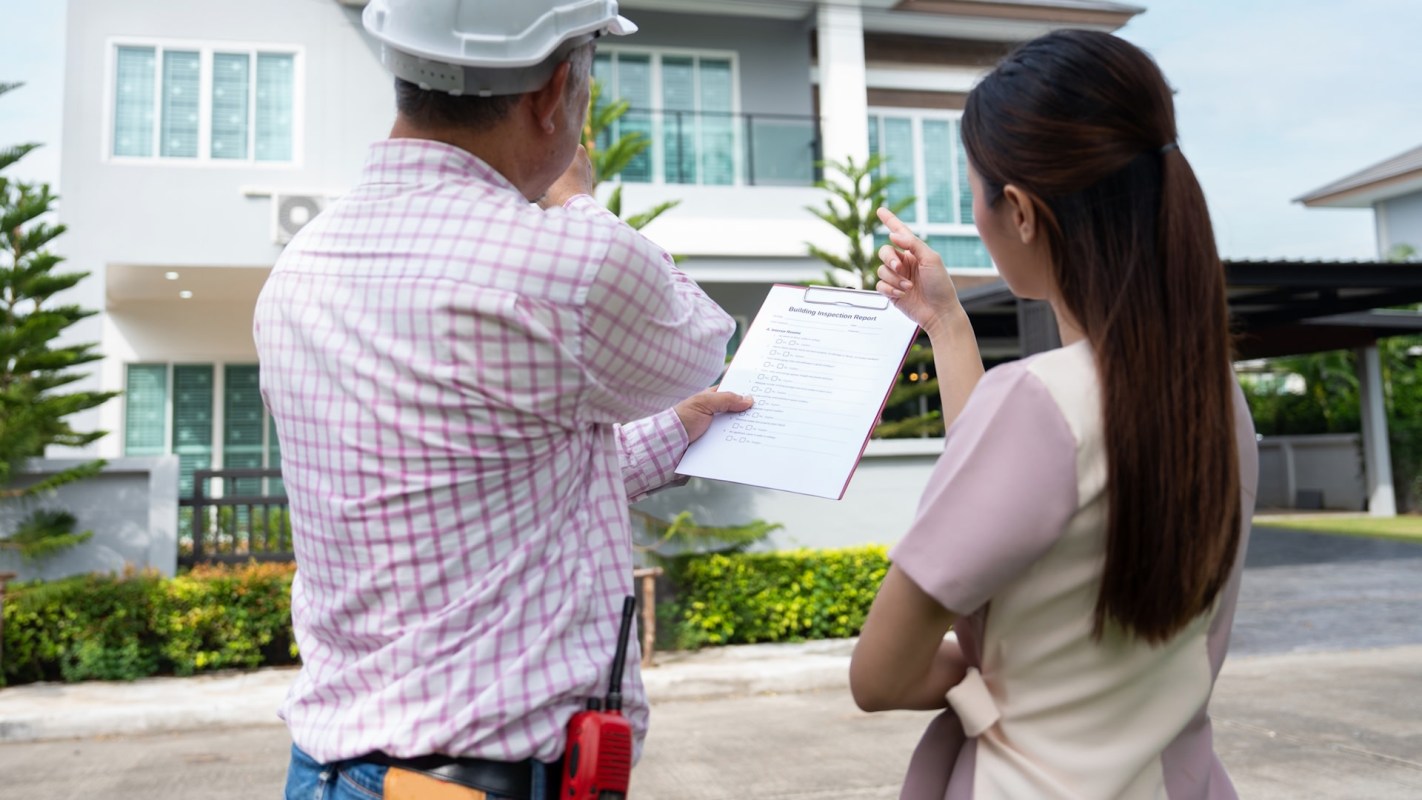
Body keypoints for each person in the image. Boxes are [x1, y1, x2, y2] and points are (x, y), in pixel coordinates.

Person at [256, 2, 748, 798]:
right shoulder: (564, 260)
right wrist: (578, 200)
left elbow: (466, 481)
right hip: (467, 783)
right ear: (555, 92)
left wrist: (676, 434)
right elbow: (699, 347)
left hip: (331, 771)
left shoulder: (302, 265)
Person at [848, 29, 1259, 799]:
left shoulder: (1040, 402)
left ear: (1022, 212)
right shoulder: (1216, 402)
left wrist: (979, 682)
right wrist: (946, 322)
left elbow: (879, 673)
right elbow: (1020, 475)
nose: (975, 217)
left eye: (973, 190)